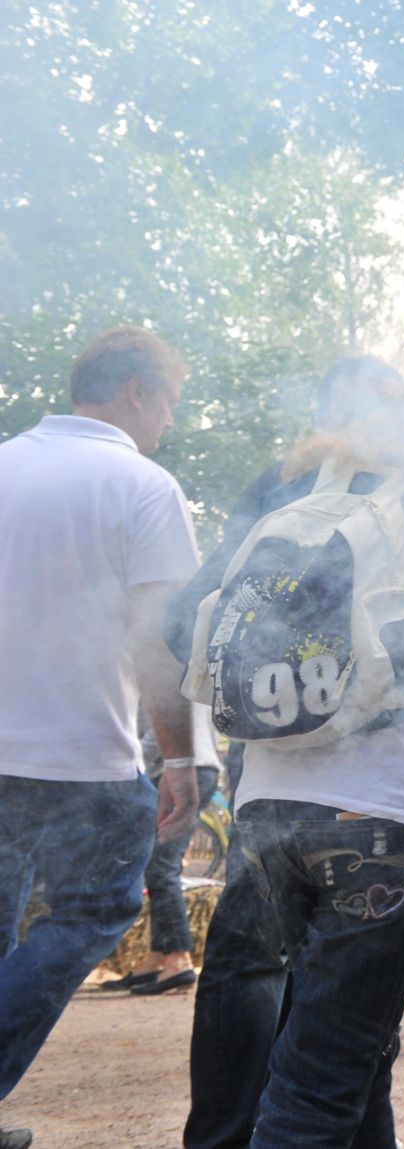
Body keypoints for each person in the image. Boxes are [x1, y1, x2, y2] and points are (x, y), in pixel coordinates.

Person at [184, 333, 404, 1148]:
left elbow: (185, 623)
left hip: (267, 803)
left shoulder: (304, 475)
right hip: (393, 813)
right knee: (323, 1076)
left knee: (341, 1048)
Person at [173, 355, 404, 1149]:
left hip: (269, 786)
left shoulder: (282, 487)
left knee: (248, 964)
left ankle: (221, 1138)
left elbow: (187, 620)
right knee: (359, 999)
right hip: (390, 796)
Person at [0, 327, 201, 1149]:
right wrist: (180, 755)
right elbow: (156, 641)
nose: (169, 425)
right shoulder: (143, 485)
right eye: (170, 405)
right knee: (100, 905)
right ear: (135, 393)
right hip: (84, 751)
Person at [103, 703, 225, 996]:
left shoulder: (156, 663)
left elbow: (164, 723)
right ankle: (159, 955)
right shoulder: (181, 662)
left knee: (162, 868)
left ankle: (178, 958)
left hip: (181, 770)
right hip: (192, 766)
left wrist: (124, 763)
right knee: (157, 866)